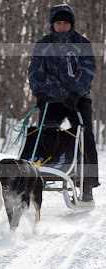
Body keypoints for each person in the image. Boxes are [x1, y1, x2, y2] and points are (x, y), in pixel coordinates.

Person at [28, 4, 99, 203]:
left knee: (86, 137)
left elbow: (88, 71)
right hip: (51, 100)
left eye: (65, 23)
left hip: (78, 99)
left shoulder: (81, 43)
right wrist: (44, 93)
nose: (62, 26)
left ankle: (87, 186)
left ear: (71, 24)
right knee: (45, 132)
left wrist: (74, 92)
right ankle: (41, 177)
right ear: (53, 24)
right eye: (58, 23)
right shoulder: (43, 44)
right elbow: (35, 73)